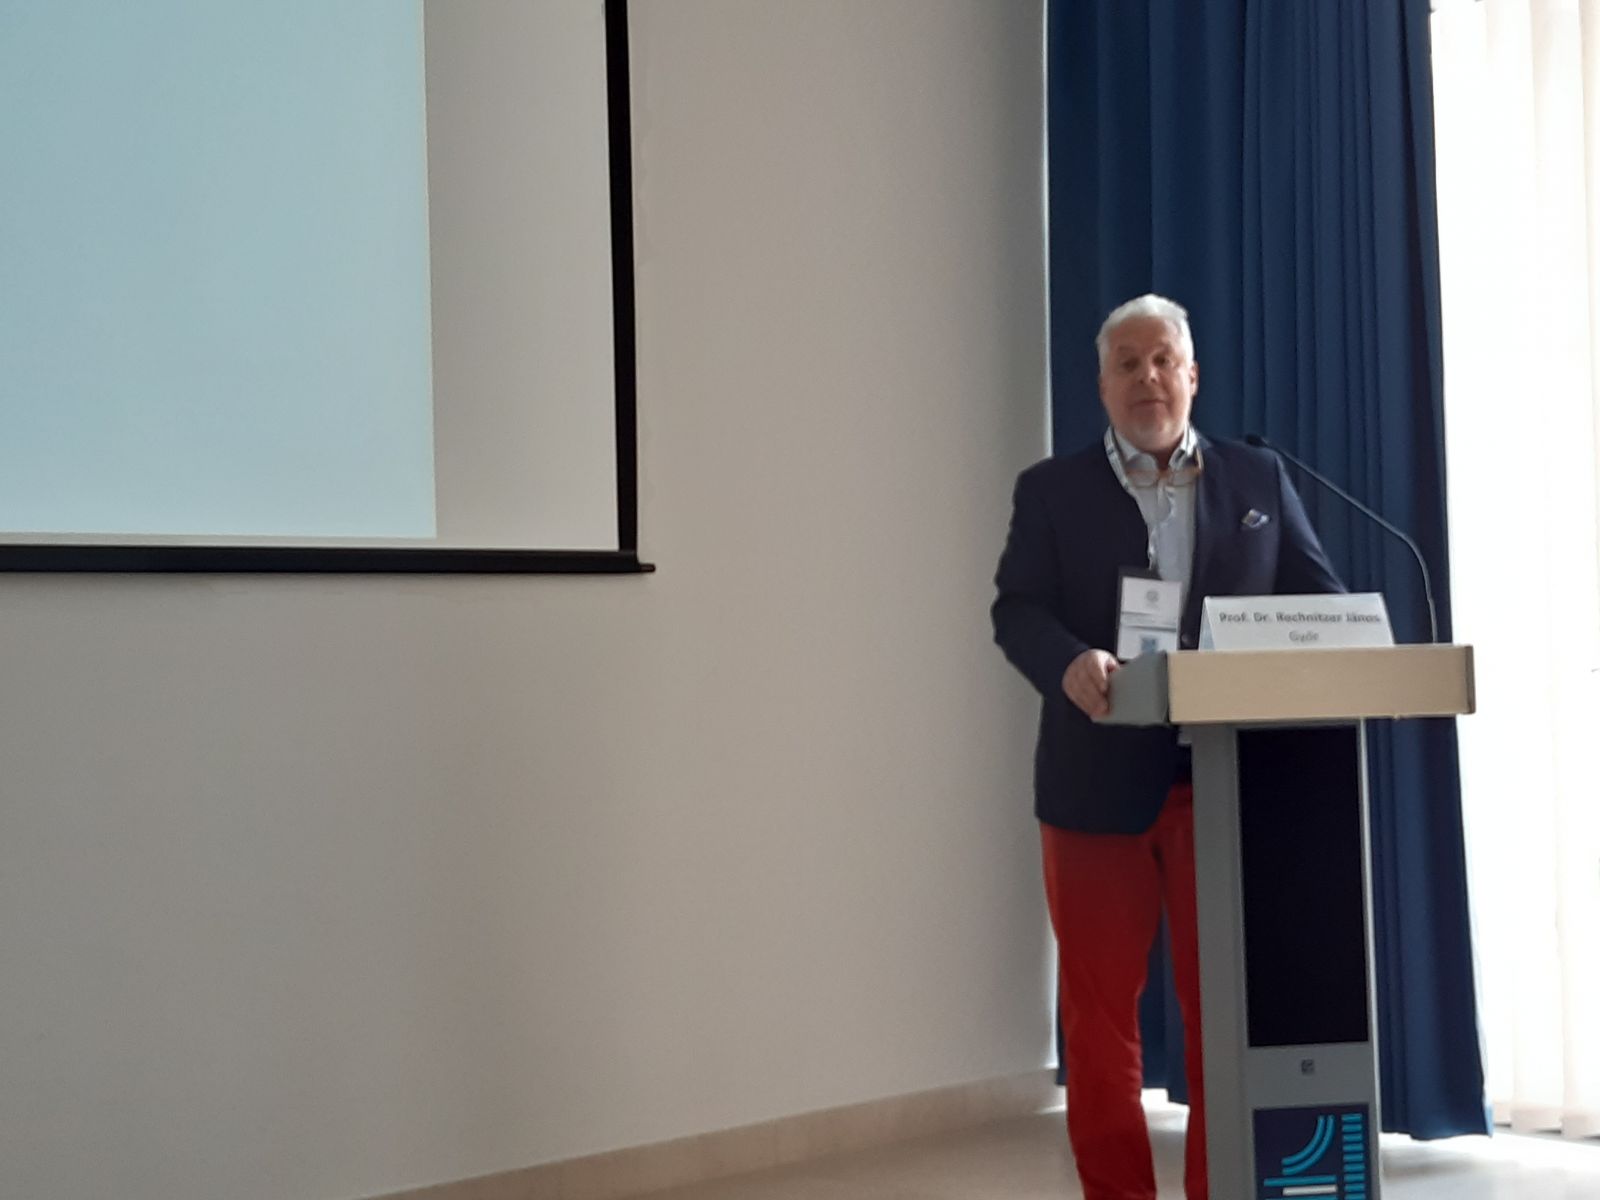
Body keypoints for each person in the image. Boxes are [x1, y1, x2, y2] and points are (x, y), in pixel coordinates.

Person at [991, 294, 1344, 1200]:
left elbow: (1319, 602)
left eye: (1162, 361)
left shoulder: (1259, 480)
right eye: (1128, 364)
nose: (1147, 378)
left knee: (1222, 1016)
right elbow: (1017, 610)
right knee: (1100, 1023)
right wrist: (1068, 661)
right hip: (1093, 788)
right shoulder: (1051, 490)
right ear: (1102, 387)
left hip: (1225, 787)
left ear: (1192, 377)